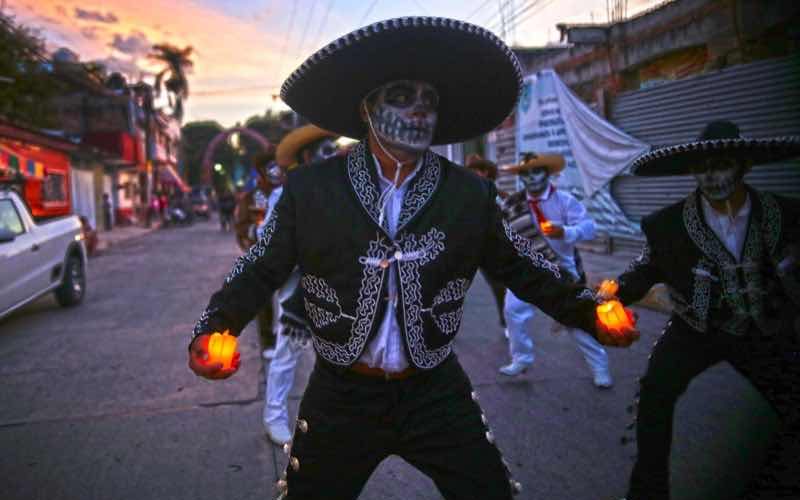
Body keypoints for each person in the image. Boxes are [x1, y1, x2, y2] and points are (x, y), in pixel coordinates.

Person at [188, 16, 638, 500]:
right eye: (402, 97)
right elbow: (260, 266)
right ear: (366, 109)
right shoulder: (312, 191)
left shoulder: (469, 194)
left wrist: (591, 312)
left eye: (430, 102)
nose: (420, 112)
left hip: (434, 389)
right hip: (342, 393)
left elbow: (524, 266)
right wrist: (218, 324)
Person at [609, 120, 800, 500]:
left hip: (765, 331)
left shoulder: (786, 214)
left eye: (723, 164)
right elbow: (647, 267)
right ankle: (648, 492)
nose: (712, 176)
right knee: (654, 398)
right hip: (695, 330)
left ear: (744, 166)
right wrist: (611, 294)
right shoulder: (667, 225)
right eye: (702, 167)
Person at [497, 152, 613, 388]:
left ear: (547, 174)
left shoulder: (564, 200)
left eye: (536, 171)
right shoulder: (513, 205)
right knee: (512, 311)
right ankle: (522, 359)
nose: (531, 177)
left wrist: (566, 232)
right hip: (527, 269)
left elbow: (590, 227)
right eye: (525, 173)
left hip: (561, 270)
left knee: (575, 320)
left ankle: (600, 368)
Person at [262, 124, 340, 446]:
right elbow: (266, 237)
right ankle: (274, 416)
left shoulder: (345, 191)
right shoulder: (285, 193)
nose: (333, 155)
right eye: (325, 150)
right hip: (298, 286)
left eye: (333, 148)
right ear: (307, 156)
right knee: (288, 352)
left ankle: (335, 418)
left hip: (338, 283)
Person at [234, 151, 278, 356]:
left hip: (289, 256)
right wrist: (257, 230)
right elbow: (241, 228)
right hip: (261, 256)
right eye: (269, 168)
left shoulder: (288, 192)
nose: (275, 171)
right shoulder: (250, 198)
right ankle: (268, 341)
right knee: (263, 300)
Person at [466, 155, 508, 328]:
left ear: (485, 173)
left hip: (490, 247)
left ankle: (506, 322)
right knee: (451, 286)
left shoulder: (500, 196)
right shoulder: (466, 193)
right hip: (466, 247)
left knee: (499, 286)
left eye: (475, 171)